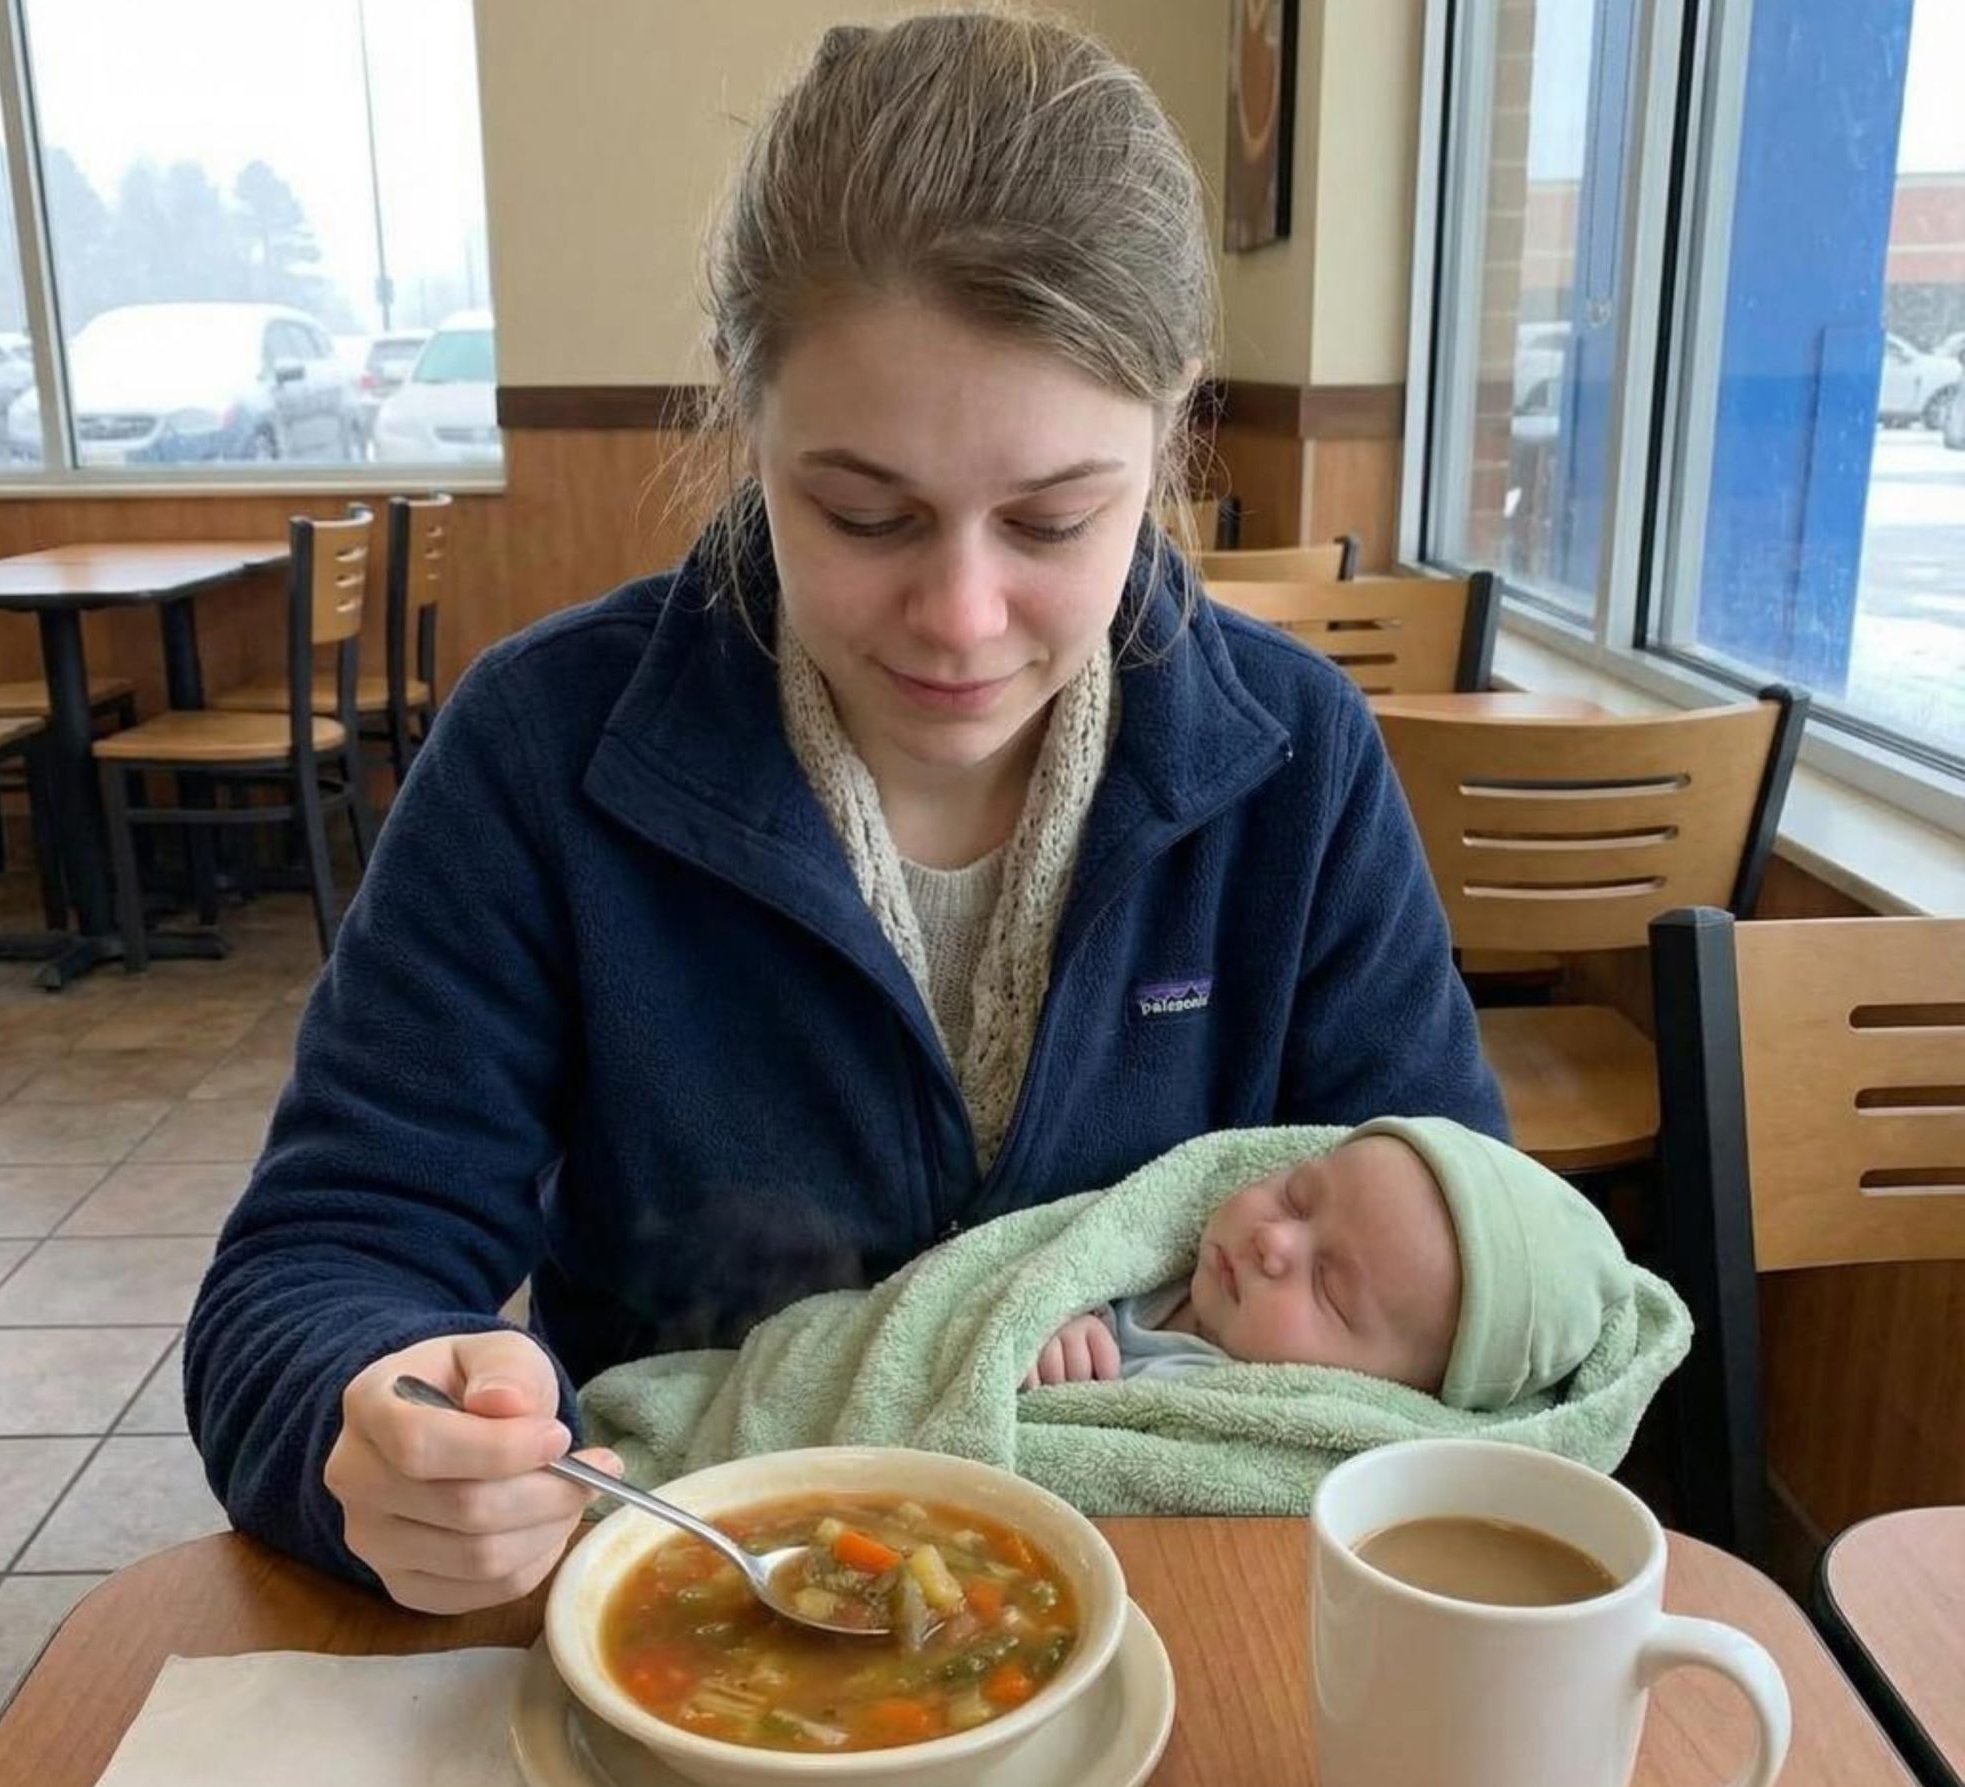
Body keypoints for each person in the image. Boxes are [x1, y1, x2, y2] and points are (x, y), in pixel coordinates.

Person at [187, 12, 1506, 1617]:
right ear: (746, 423)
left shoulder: (1294, 761)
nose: (960, 617)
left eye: (1056, 519)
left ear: (1172, 427)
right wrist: (381, 1430)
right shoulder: (544, 752)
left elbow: (1464, 1254)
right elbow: (315, 1266)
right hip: (700, 1625)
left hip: (1179, 1654)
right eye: (863, 512)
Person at [1019, 1117, 1615, 1411]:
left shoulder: (1245, 1412)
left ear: (1388, 1393)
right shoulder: (1161, 1271)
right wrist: (1063, 1317)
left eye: (1328, 1286)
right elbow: (1045, 1281)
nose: (1273, 1242)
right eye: (1295, 1196)